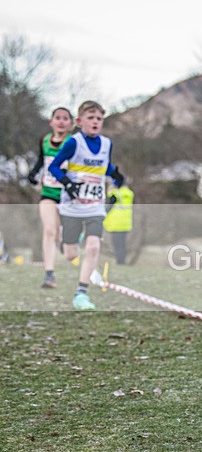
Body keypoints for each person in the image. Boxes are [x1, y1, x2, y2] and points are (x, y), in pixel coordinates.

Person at [47, 100, 124, 310]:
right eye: (90, 118)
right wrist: (67, 183)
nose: (95, 122)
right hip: (72, 206)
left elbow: (104, 165)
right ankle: (69, 239)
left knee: (93, 247)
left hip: (95, 206)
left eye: (99, 118)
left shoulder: (106, 144)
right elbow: (54, 167)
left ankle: (81, 294)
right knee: (71, 254)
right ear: (80, 121)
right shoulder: (74, 143)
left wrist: (115, 174)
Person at [26, 107, 75, 288]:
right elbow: (41, 160)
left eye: (65, 118)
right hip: (48, 192)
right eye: (58, 118)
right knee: (49, 230)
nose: (61, 121)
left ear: (71, 124)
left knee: (67, 246)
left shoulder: (73, 142)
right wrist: (33, 174)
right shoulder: (45, 140)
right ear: (51, 121)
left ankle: (66, 240)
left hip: (68, 195)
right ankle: (49, 274)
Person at [104, 177, 134, 265]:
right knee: (122, 244)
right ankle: (122, 262)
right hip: (125, 223)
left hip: (116, 223)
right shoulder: (129, 194)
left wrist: (110, 190)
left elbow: (108, 207)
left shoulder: (116, 194)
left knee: (116, 244)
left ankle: (119, 262)